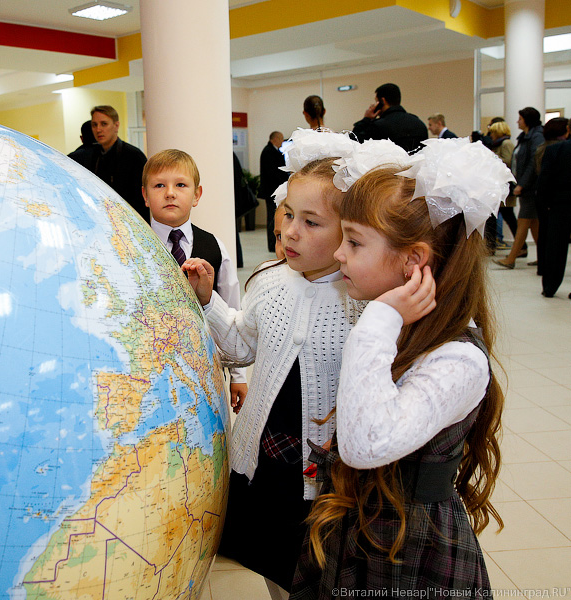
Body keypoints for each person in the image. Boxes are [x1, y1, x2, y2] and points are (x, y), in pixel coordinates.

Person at [291, 140, 510, 596]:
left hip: (410, 548)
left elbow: (366, 444)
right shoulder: (402, 322)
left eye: (354, 242)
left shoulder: (458, 358)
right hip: (367, 529)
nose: (339, 255)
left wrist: (379, 322)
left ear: (413, 260)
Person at [181, 129, 367, 599]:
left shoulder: (362, 300)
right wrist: (210, 304)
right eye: (287, 215)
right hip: (265, 461)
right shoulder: (268, 278)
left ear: (352, 231)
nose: (288, 232)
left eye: (311, 222)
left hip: (326, 475)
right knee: (274, 565)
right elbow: (242, 346)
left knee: (322, 571)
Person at [141, 149, 248, 411]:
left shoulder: (214, 246)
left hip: (203, 368)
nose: (169, 193)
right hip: (148, 371)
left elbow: (232, 309)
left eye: (180, 185)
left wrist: (238, 376)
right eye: (159, 185)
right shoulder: (134, 244)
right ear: (145, 195)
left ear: (196, 195)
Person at [69, 105, 149, 222]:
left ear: (116, 126)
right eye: (94, 125)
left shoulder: (133, 156)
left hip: (130, 223)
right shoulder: (92, 156)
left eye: (104, 124)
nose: (98, 129)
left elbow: (142, 200)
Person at [494, 107, 545, 269]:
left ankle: (511, 258)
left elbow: (533, 162)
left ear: (527, 120)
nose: (517, 121)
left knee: (523, 222)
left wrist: (522, 184)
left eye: (520, 119)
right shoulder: (525, 137)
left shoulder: (536, 137)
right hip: (526, 186)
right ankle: (544, 258)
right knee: (534, 223)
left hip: (531, 188)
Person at [537, 119, 571, 298]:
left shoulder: (555, 150)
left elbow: (544, 181)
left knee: (556, 247)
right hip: (559, 203)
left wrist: (545, 205)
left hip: (560, 204)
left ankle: (550, 287)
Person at [531, 117, 569, 273]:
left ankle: (544, 267)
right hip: (554, 198)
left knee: (546, 233)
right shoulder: (557, 148)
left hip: (547, 196)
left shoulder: (544, 147)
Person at [352, 83, 427, 153]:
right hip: (417, 167)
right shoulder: (419, 123)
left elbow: (353, 141)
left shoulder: (378, 127)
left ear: (383, 101)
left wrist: (366, 119)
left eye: (376, 101)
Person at [487, 120, 517, 251]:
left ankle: (520, 244)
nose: (491, 135)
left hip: (506, 185)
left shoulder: (506, 143)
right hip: (499, 184)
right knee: (506, 215)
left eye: (493, 132)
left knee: (508, 215)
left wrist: (493, 156)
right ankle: (520, 245)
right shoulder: (500, 143)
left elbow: (509, 161)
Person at [257, 131, 288, 253]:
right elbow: (273, 173)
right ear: (275, 139)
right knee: (272, 218)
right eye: (281, 138)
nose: (282, 141)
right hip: (271, 191)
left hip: (273, 190)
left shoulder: (272, 151)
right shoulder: (269, 152)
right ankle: (272, 243)